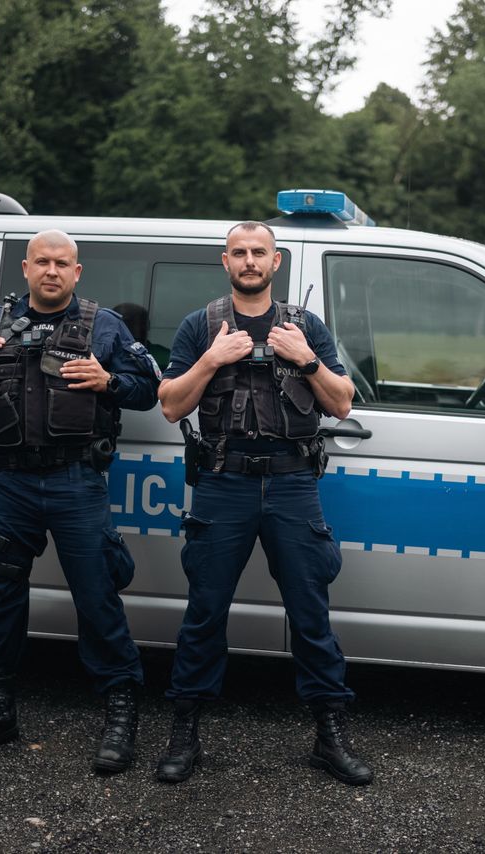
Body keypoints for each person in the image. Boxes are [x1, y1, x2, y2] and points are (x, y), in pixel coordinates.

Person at [154, 221, 373, 786]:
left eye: (260, 253)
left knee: (310, 614)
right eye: (239, 253)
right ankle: (185, 734)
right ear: (224, 262)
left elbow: (342, 404)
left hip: (292, 483)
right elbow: (171, 406)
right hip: (223, 484)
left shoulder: (306, 328)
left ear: (277, 263)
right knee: (204, 612)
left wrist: (305, 359)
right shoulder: (200, 326)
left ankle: (329, 735)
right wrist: (210, 360)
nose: (250, 261)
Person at [0, 229, 159, 771]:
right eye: (43, 261)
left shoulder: (102, 325)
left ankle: (119, 714)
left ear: (77, 272)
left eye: (63, 263)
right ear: (26, 267)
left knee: (97, 596)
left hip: (75, 481)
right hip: (9, 483)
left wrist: (109, 380)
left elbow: (148, 389)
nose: (52, 271)